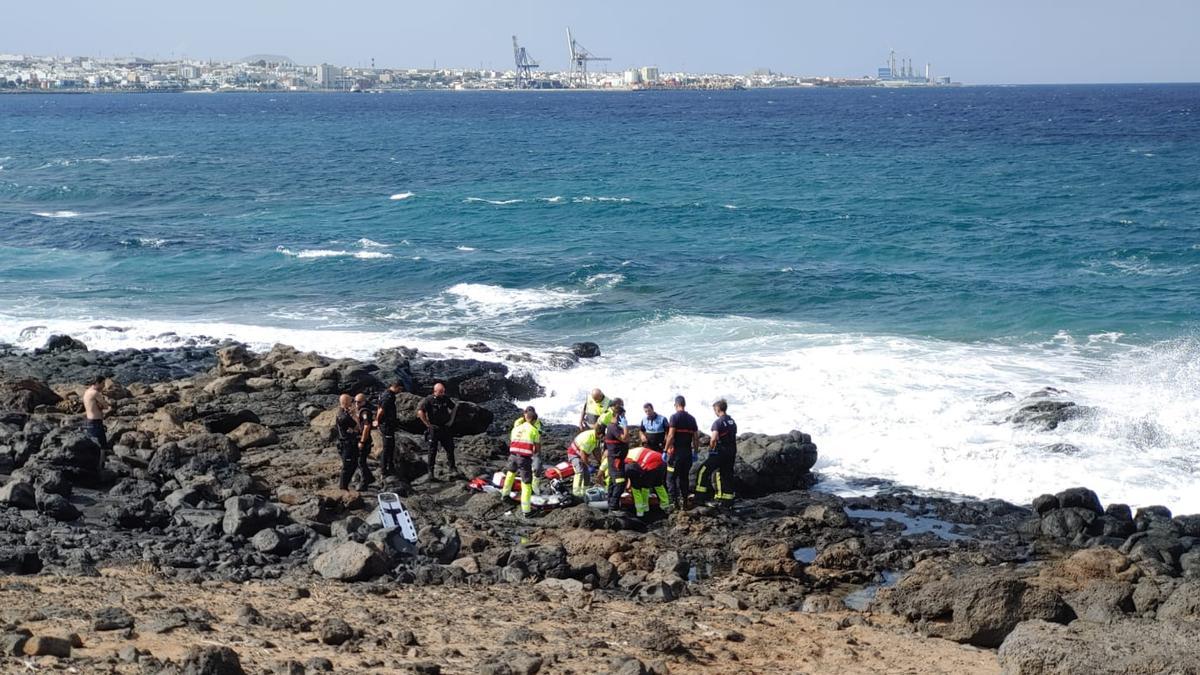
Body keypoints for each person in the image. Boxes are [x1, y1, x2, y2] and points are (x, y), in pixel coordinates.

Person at [501, 406, 542, 517]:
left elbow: (512, 441)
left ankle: (505, 495)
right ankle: (527, 511)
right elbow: (537, 449)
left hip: (512, 455)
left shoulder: (516, 428)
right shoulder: (534, 430)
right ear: (533, 420)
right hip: (524, 458)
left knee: (510, 474)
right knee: (526, 483)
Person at [695, 398, 737, 505]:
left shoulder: (718, 422)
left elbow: (713, 438)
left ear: (718, 409)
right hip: (731, 451)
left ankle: (699, 497)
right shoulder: (732, 422)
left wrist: (711, 448)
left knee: (703, 470)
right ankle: (727, 500)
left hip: (720, 452)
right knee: (726, 474)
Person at [663, 395, 700, 510]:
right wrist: (696, 452)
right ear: (684, 404)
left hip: (676, 454)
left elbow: (671, 435)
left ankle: (674, 503)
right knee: (684, 478)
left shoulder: (674, 417)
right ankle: (684, 501)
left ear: (676, 405)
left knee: (670, 478)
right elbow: (696, 438)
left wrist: (665, 450)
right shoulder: (692, 418)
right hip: (687, 453)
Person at [417, 382, 459, 481]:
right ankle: (430, 472)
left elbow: (454, 407)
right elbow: (420, 411)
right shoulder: (429, 400)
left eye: (443, 391)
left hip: (445, 427)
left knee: (450, 448)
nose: (442, 393)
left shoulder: (445, 398)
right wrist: (427, 424)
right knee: (432, 451)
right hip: (434, 428)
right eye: (440, 392)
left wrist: (451, 420)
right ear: (435, 391)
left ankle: (452, 468)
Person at [623, 445, 671, 518]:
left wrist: (629, 485)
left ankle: (641, 512)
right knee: (658, 484)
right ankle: (665, 506)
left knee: (639, 487)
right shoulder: (634, 451)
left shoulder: (626, 457)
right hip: (661, 462)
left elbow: (631, 471)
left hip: (649, 465)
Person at [602, 400, 630, 510]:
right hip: (615, 459)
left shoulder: (615, 427)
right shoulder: (613, 427)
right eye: (623, 416)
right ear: (618, 416)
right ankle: (613, 506)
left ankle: (612, 504)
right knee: (619, 482)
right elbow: (625, 438)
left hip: (618, 458)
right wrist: (625, 426)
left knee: (614, 482)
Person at [375, 381, 404, 481]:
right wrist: (377, 421)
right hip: (386, 425)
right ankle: (383, 470)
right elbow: (381, 410)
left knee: (391, 446)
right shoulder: (388, 397)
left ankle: (390, 466)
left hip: (389, 425)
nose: (400, 391)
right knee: (387, 447)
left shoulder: (384, 394)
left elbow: (379, 407)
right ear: (396, 387)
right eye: (400, 389)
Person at [334, 394, 363, 491]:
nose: (353, 403)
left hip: (349, 442)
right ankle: (343, 488)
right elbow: (358, 427)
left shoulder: (342, 412)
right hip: (346, 444)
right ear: (346, 403)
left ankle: (345, 485)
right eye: (352, 401)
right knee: (347, 467)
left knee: (354, 464)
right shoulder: (344, 416)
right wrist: (354, 414)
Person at [82, 375, 111, 471]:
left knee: (92, 445)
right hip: (96, 422)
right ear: (97, 383)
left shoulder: (87, 392)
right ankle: (100, 468)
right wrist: (102, 405)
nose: (103, 386)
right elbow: (106, 406)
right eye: (102, 384)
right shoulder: (95, 393)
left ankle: (90, 467)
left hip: (88, 421)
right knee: (102, 446)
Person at [565, 423, 603, 497]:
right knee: (580, 471)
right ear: (601, 434)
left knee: (587, 474)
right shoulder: (588, 438)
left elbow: (596, 451)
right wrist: (589, 465)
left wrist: (600, 462)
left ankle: (585, 491)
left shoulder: (597, 438)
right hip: (574, 454)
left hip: (582, 455)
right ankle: (576, 492)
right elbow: (583, 454)